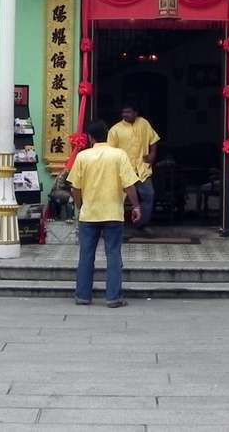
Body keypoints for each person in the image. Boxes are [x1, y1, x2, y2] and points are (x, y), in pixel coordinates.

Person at [68, 119, 141, 307]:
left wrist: (79, 204)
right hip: (113, 213)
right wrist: (136, 206)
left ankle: (83, 296)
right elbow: (129, 185)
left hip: (89, 213)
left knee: (86, 255)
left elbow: (75, 187)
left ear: (90, 137)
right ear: (107, 134)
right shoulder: (119, 155)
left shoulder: (83, 157)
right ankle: (113, 297)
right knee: (114, 255)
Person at [107, 103, 160, 231]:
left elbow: (153, 140)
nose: (125, 114)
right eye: (124, 112)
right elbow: (109, 151)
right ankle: (116, 227)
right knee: (117, 199)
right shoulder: (115, 130)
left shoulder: (144, 123)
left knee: (149, 195)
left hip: (142, 169)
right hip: (123, 171)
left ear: (136, 113)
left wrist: (152, 155)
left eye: (129, 112)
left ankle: (141, 224)